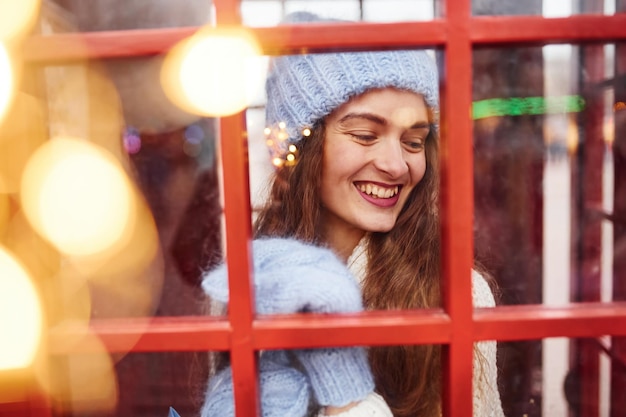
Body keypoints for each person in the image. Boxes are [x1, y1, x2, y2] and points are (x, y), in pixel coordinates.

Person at [200, 11, 504, 417]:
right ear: (302, 149)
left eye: (413, 141)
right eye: (365, 135)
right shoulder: (251, 284)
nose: (397, 165)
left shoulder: (457, 292)